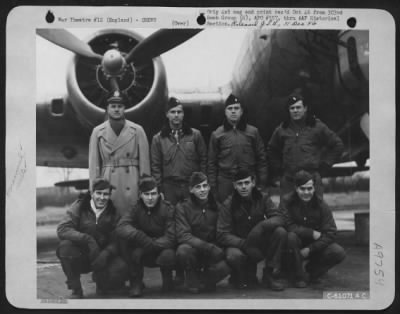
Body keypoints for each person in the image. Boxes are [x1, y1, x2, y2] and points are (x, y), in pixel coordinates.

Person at [217, 169, 287, 291]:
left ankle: (268, 274)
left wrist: (261, 226)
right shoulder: (228, 204)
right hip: (238, 245)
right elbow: (222, 234)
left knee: (280, 232)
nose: (243, 187)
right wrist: (244, 244)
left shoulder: (262, 198)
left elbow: (279, 218)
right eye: (239, 184)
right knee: (234, 256)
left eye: (246, 183)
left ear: (253, 183)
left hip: (257, 242)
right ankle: (239, 275)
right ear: (234, 185)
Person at [56, 178, 128, 298]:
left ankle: (102, 283)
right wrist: (88, 239)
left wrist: (106, 253)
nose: (101, 197)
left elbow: (117, 239)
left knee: (121, 267)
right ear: (92, 193)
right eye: (98, 193)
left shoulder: (113, 213)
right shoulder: (79, 206)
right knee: (65, 248)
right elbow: (63, 229)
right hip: (82, 254)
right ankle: (76, 289)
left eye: (105, 194)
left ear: (110, 195)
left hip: (102, 257)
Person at [268, 91, 344, 198]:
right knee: (286, 213)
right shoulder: (282, 129)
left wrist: (326, 164)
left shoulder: (317, 126)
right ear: (288, 110)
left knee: (315, 213)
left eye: (298, 107)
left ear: (305, 108)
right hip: (290, 181)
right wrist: (279, 168)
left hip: (311, 180)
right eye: (292, 108)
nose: (295, 111)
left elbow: (338, 144)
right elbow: (271, 149)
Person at [89, 91, 150, 215]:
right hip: (108, 182)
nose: (116, 109)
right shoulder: (97, 132)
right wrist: (94, 190)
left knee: (132, 222)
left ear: (124, 108)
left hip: (132, 182)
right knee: (110, 221)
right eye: (113, 106)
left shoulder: (138, 130)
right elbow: (94, 164)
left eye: (120, 106)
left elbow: (145, 165)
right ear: (107, 108)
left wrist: (146, 188)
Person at [281, 170, 346, 287]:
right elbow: (287, 225)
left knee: (338, 252)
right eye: (302, 189)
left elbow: (330, 232)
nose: (306, 192)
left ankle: (313, 272)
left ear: (314, 188)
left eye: (309, 188)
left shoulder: (321, 204)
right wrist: (311, 232)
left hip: (314, 246)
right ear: (296, 188)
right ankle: (297, 276)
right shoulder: (286, 201)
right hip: (293, 246)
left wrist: (310, 249)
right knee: (290, 236)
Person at [115, 175, 176, 297]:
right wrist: (139, 236)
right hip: (142, 253)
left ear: (159, 194)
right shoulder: (135, 209)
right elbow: (121, 227)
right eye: (146, 194)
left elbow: (171, 237)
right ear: (140, 195)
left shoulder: (168, 209)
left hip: (161, 250)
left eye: (153, 194)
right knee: (124, 239)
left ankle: (167, 279)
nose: (150, 198)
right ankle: (136, 281)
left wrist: (148, 245)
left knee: (168, 254)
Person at [175, 172, 231, 293]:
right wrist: (207, 247)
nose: (202, 190)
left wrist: (216, 249)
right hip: (194, 249)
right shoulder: (182, 207)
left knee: (227, 264)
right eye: (198, 187)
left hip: (212, 251)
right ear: (191, 190)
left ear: (209, 187)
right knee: (183, 250)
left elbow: (222, 231)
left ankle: (206, 278)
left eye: (205, 186)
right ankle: (192, 275)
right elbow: (183, 235)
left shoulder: (217, 206)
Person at [208, 93, 268, 203]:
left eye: (236, 108)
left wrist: (261, 183)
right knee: (226, 212)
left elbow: (261, 159)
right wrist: (213, 188)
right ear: (225, 112)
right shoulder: (217, 134)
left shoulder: (253, 132)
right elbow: (212, 163)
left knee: (250, 212)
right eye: (230, 108)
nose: (233, 111)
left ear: (242, 111)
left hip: (248, 180)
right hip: (226, 181)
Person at [151, 96, 207, 205]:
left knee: (191, 215)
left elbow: (203, 160)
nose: (176, 115)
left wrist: (201, 184)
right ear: (167, 114)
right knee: (170, 216)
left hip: (190, 185)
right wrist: (159, 189)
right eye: (172, 112)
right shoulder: (158, 139)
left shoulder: (195, 135)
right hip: (169, 187)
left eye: (179, 112)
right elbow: (155, 166)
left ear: (183, 114)